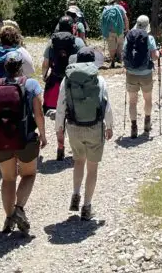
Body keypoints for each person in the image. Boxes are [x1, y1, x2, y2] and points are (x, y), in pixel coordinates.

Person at [0, 50, 48, 234]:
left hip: (2, 139)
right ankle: (18, 208)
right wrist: (42, 134)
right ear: (21, 67)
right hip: (25, 138)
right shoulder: (31, 84)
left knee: (8, 179)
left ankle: (9, 219)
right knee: (29, 174)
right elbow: (38, 113)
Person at [56, 46, 113, 221]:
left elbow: (61, 107)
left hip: (74, 127)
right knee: (92, 168)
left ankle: (75, 194)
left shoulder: (67, 81)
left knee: (78, 161)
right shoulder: (99, 80)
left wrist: (59, 129)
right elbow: (106, 105)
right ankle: (87, 206)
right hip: (94, 127)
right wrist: (109, 126)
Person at [42, 17, 84, 160]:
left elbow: (45, 63)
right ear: (72, 27)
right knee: (74, 114)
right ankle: (75, 145)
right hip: (73, 81)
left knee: (59, 114)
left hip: (56, 81)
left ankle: (60, 146)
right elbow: (84, 62)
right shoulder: (78, 42)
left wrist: (44, 76)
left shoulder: (51, 41)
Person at [122, 15, 160, 138]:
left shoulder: (129, 37)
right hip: (146, 74)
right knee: (147, 99)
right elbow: (154, 57)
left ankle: (133, 127)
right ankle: (147, 123)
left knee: (132, 102)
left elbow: (124, 54)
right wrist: (158, 53)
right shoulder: (149, 38)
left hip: (131, 74)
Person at [100, 0, 128, 69]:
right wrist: (127, 28)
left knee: (111, 47)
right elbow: (125, 18)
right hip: (119, 30)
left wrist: (103, 30)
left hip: (109, 31)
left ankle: (112, 61)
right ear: (116, 1)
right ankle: (119, 58)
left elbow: (102, 20)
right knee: (120, 44)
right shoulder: (120, 7)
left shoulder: (106, 8)